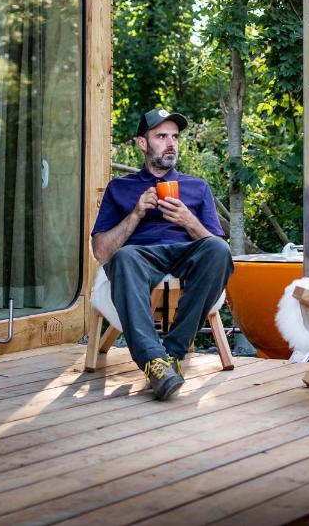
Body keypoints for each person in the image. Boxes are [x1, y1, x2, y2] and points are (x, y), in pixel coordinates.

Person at [91, 108, 234, 400]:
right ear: (142, 143)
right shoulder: (120, 188)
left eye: (174, 136)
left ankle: (172, 353)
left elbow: (216, 250)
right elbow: (101, 252)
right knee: (124, 257)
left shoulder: (197, 187)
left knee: (219, 249)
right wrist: (136, 213)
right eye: (161, 136)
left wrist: (188, 221)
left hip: (187, 254)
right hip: (141, 257)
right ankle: (155, 363)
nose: (171, 143)